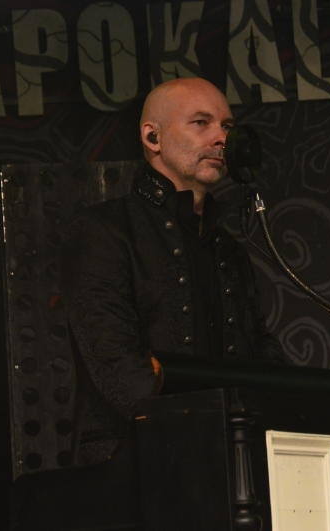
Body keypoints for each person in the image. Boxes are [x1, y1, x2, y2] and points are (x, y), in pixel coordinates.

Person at [59, 77, 283, 465]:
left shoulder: (228, 248)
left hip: (231, 461)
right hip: (133, 464)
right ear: (153, 137)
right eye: (201, 123)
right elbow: (114, 361)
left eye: (227, 126)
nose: (221, 138)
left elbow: (259, 354)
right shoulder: (103, 231)